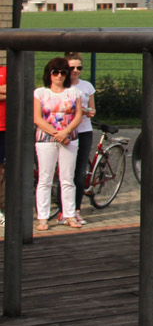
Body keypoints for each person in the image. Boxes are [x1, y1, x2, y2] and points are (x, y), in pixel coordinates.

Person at [33, 56, 82, 230]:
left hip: (69, 138)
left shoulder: (74, 92)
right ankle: (43, 217)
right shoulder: (40, 93)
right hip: (46, 139)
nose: (59, 76)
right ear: (49, 74)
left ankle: (69, 215)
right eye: (55, 72)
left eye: (63, 72)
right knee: (45, 178)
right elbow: (37, 118)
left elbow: (78, 115)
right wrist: (56, 134)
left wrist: (66, 132)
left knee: (67, 178)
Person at [66, 53, 95, 220]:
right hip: (66, 131)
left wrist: (89, 112)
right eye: (72, 68)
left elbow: (92, 108)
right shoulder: (61, 86)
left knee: (79, 172)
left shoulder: (87, 86)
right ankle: (63, 209)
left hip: (83, 130)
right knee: (65, 172)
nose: (76, 70)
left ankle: (76, 209)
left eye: (79, 67)